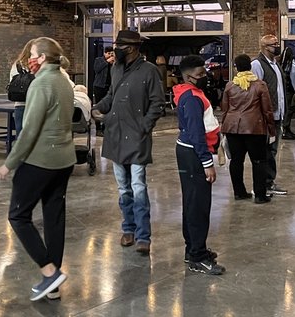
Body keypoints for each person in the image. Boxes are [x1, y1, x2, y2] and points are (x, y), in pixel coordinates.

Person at [0, 37, 76, 301]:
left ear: (41, 57)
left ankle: (49, 270)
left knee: (18, 216)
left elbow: (29, 130)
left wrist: (10, 163)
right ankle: (52, 284)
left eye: (32, 54)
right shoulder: (64, 80)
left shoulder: (41, 83)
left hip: (41, 160)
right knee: (54, 218)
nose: (28, 58)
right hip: (64, 159)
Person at [94, 29, 164, 256]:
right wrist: (98, 108)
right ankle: (128, 229)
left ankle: (143, 236)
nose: (115, 50)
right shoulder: (116, 69)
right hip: (115, 134)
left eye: (119, 47)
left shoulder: (149, 71)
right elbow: (111, 96)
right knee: (123, 188)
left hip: (136, 137)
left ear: (131, 48)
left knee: (138, 186)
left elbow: (157, 103)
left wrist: (144, 126)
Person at [173, 54, 225, 274]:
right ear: (189, 77)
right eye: (201, 74)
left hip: (188, 151)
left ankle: (192, 248)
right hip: (193, 154)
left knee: (192, 202)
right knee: (198, 206)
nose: (206, 76)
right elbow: (196, 133)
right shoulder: (192, 98)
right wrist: (207, 162)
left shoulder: (190, 93)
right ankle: (197, 256)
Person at [220, 54, 275, 203]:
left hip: (232, 128)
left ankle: (239, 192)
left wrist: (223, 126)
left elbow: (224, 108)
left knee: (236, 161)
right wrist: (271, 129)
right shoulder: (260, 85)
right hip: (254, 129)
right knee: (258, 161)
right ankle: (260, 195)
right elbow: (267, 110)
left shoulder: (230, 85)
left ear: (236, 68)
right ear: (250, 67)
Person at [251, 34, 290, 197]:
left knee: (272, 150)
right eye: (274, 44)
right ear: (265, 47)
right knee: (265, 151)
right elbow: (254, 91)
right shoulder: (257, 64)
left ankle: (269, 181)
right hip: (266, 116)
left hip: (278, 114)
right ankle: (264, 183)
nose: (277, 46)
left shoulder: (276, 64)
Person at [9, 40, 35, 136]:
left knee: (21, 136)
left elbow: (12, 81)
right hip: (36, 104)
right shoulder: (38, 65)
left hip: (20, 104)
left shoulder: (17, 65)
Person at [277, 47, 295, 138]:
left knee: (283, 110)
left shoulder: (279, 66)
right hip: (289, 92)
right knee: (289, 111)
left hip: (281, 91)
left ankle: (283, 129)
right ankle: (286, 130)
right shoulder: (293, 68)